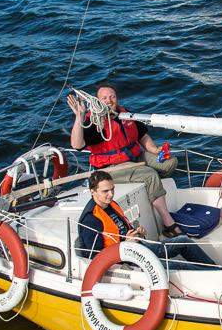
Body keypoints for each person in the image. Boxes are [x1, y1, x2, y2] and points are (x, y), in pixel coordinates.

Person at [67, 84, 183, 237]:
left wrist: (154, 150)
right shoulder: (95, 122)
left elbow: (142, 135)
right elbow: (76, 145)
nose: (109, 100)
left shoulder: (124, 113)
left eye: (112, 97)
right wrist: (79, 117)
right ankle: (169, 224)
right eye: (104, 98)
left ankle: (152, 190)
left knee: (170, 162)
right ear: (98, 101)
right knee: (149, 174)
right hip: (112, 167)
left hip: (134, 157)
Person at [78, 171, 216, 271]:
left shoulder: (111, 205)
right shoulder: (90, 219)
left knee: (184, 241)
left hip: (139, 246)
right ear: (92, 192)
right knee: (178, 267)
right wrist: (125, 243)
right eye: (105, 191)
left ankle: (216, 268)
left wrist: (138, 233)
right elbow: (94, 257)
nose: (111, 194)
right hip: (129, 259)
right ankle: (219, 274)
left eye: (112, 189)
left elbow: (121, 230)